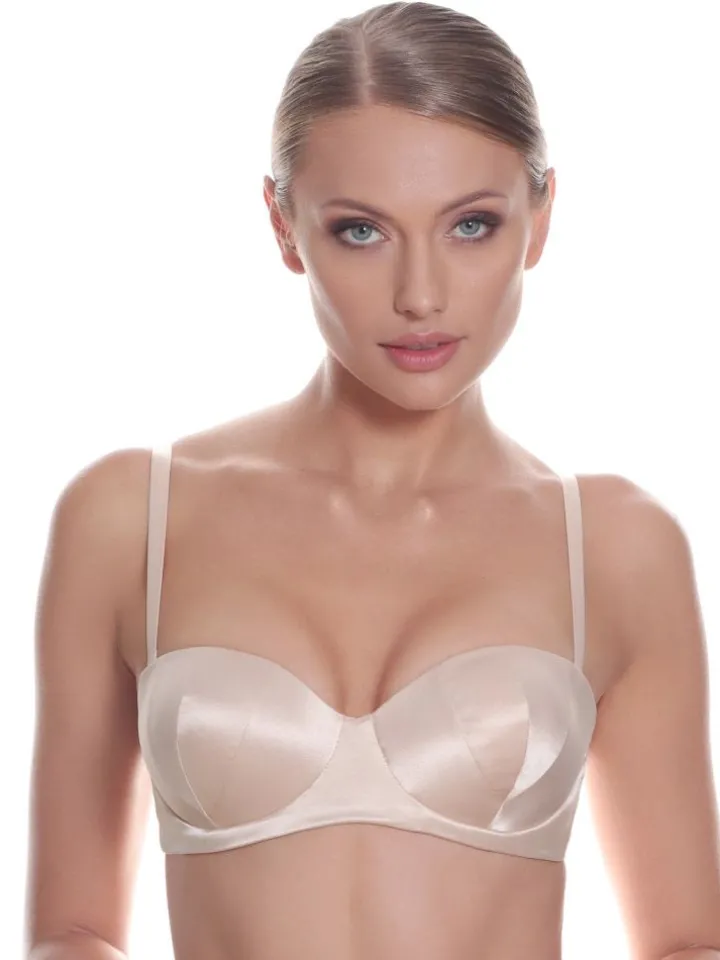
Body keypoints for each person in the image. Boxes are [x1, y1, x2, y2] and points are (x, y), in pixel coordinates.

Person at [23, 2, 720, 959]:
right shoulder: (133, 519)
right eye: (361, 231)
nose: (421, 294)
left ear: (541, 219)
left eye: (471, 224)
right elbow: (71, 931)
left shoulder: (614, 546)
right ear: (283, 226)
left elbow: (688, 942)